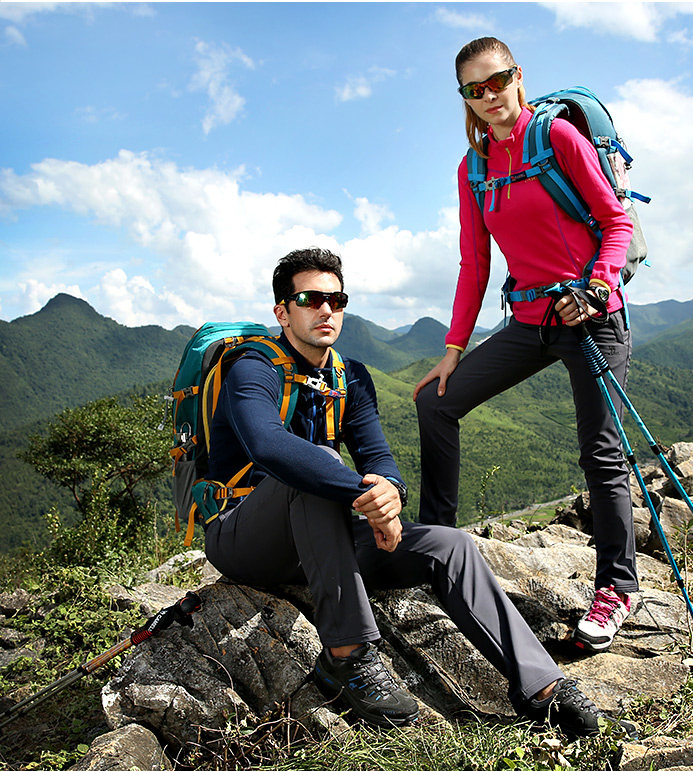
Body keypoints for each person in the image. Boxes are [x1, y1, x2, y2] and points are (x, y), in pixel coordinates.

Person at [203, 246, 634, 737]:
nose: (326, 310)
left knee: (449, 544)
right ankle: (348, 655)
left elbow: (379, 457)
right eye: (310, 299)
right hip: (244, 538)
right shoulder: (252, 367)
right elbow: (267, 445)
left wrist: (391, 493)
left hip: (321, 541)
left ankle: (543, 686)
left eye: (337, 300)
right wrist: (366, 497)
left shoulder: (350, 377)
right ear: (282, 312)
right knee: (319, 462)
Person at [413, 37, 639, 654]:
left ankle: (617, 588)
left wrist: (597, 287)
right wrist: (454, 348)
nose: (489, 96)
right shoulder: (474, 168)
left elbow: (615, 220)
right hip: (532, 320)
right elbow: (474, 262)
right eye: (474, 89)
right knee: (435, 401)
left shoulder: (557, 137)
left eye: (497, 81)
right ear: (464, 97)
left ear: (518, 76)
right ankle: (437, 545)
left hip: (591, 317)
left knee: (601, 454)